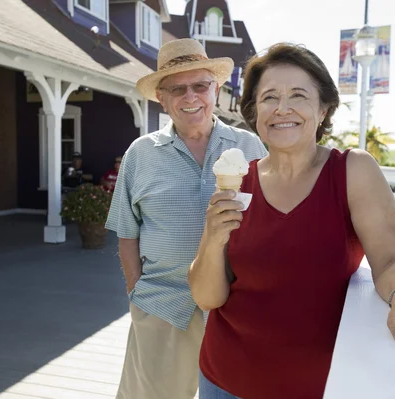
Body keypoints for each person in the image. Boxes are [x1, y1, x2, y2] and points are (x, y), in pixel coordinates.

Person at [188, 43, 395, 399]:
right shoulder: (237, 182)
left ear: (323, 108)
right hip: (223, 381)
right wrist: (213, 237)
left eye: (298, 95)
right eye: (269, 97)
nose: (282, 108)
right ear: (255, 111)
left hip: (322, 387)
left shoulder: (352, 171)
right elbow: (208, 297)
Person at [105, 38, 268, 399]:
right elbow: (126, 232)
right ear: (161, 99)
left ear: (216, 88)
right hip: (163, 304)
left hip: (236, 310)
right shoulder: (140, 154)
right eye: (177, 88)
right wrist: (136, 293)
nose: (190, 96)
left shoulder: (251, 148)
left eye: (200, 85)